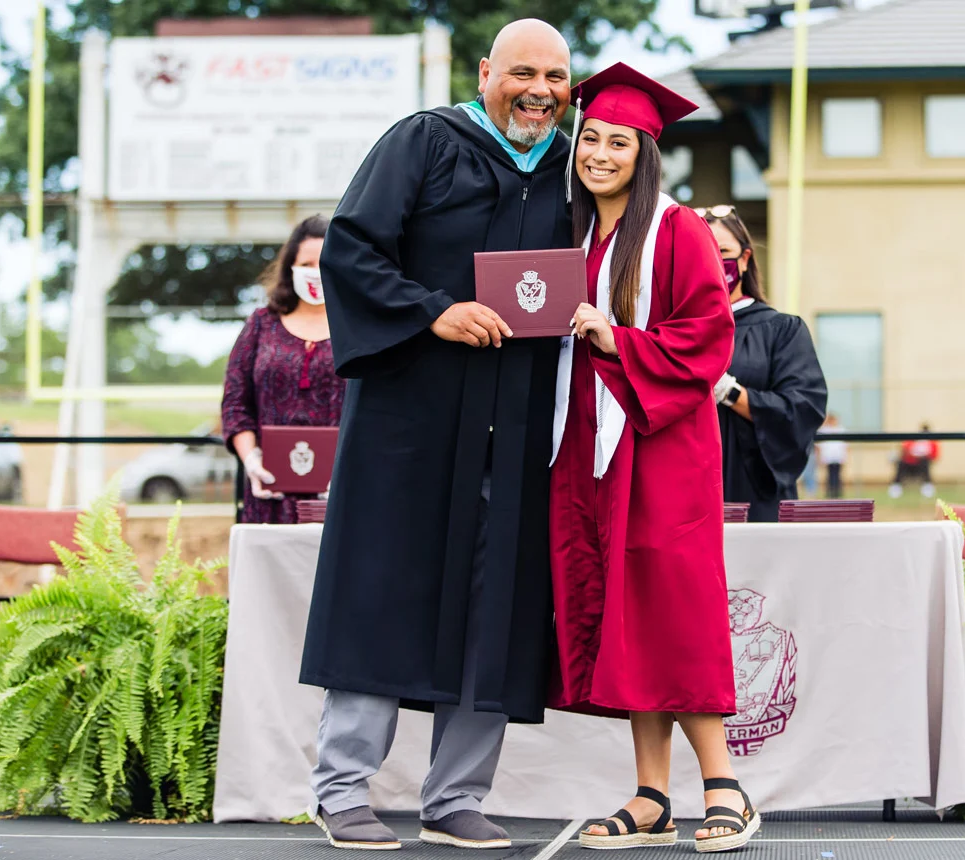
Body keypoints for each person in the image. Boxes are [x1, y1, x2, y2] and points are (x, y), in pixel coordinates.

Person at [298, 20, 573, 851]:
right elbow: (352, 250)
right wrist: (433, 312)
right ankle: (342, 788)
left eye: (556, 77)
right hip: (411, 424)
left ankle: (455, 795)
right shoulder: (425, 140)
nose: (539, 90)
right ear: (486, 71)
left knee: (495, 610)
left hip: (517, 427)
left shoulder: (571, 165)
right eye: (522, 72)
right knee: (380, 593)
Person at [548, 63, 759, 854]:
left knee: (675, 609)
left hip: (662, 448)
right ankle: (649, 795)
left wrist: (616, 339)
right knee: (627, 617)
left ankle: (725, 785)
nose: (599, 153)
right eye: (590, 138)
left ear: (645, 153)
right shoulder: (572, 234)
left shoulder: (674, 230)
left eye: (617, 142)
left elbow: (709, 335)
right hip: (589, 453)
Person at [701, 206, 827, 522]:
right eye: (703, 252)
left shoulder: (781, 330)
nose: (714, 261)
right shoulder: (671, 330)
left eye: (724, 252)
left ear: (744, 259)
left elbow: (802, 407)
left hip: (755, 492)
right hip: (688, 492)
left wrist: (730, 392)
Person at [222, 215, 343, 524]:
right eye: (306, 264)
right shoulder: (261, 324)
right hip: (269, 495)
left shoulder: (358, 328)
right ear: (290, 268)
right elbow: (235, 404)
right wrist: (251, 458)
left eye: (324, 263)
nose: (315, 273)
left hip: (343, 493)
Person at [889, 423, 939, 499]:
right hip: (909, 464)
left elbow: (934, 456)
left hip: (921, 466)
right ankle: (896, 486)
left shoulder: (932, 443)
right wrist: (910, 453)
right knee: (900, 462)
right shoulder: (913, 439)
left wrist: (924, 454)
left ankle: (927, 486)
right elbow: (904, 449)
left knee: (925, 462)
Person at [818, 412, 848, 499]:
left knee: (837, 475)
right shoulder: (824, 430)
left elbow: (845, 445)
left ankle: (837, 492)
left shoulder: (841, 429)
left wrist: (845, 457)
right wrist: (820, 457)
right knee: (830, 475)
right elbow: (820, 446)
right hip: (828, 457)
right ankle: (830, 492)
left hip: (838, 456)